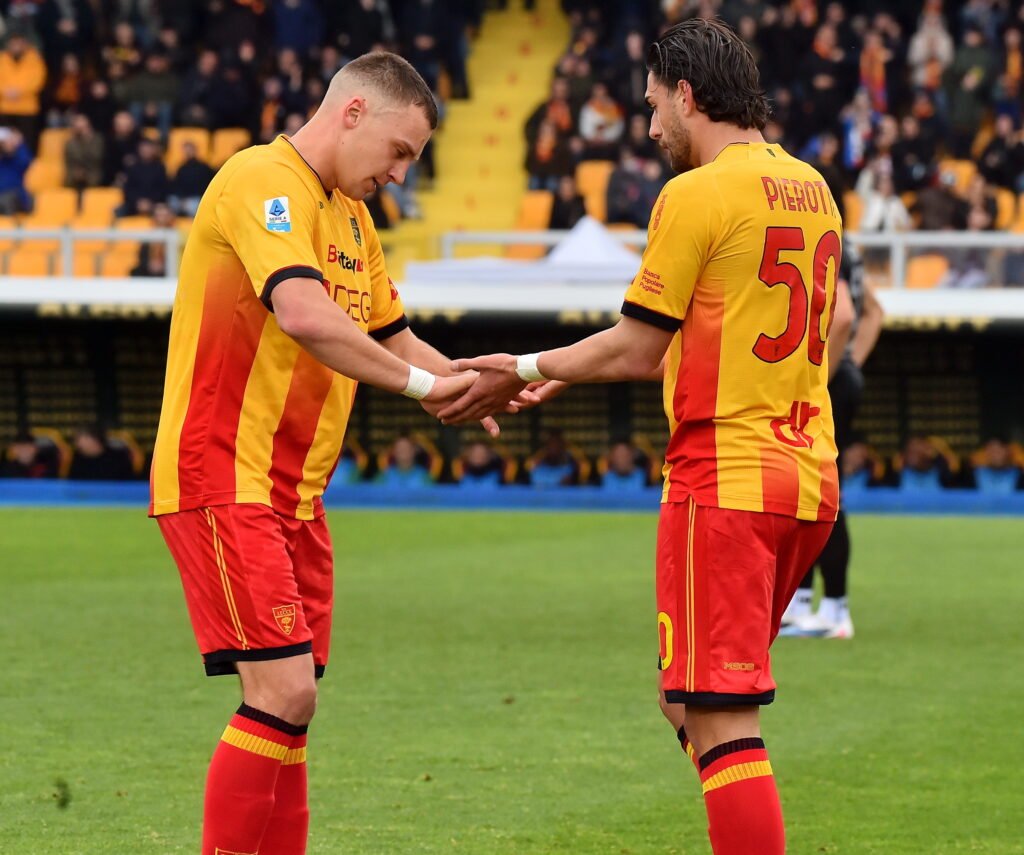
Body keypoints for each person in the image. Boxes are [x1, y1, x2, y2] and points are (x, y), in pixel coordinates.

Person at [439, 20, 841, 855]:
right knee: (687, 699)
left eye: (655, 105)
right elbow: (695, 333)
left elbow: (636, 345)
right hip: (807, 479)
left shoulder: (695, 193)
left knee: (721, 719)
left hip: (722, 480)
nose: (652, 126)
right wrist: (568, 370)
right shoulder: (814, 188)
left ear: (687, 96)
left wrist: (522, 365)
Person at [148, 52, 519, 855]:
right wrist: (424, 389)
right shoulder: (262, 180)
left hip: (296, 497)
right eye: (400, 151)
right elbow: (305, 314)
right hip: (225, 471)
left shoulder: (353, 219)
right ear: (353, 113)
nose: (401, 175)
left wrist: (473, 381)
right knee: (282, 692)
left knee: (294, 706)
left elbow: (395, 337)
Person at [781, 245, 883, 639]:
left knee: (820, 493)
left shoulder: (824, 236)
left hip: (827, 381)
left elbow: (843, 315)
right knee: (806, 490)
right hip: (838, 376)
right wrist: (852, 359)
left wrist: (821, 376)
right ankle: (802, 602)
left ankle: (834, 609)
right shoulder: (849, 247)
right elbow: (874, 310)